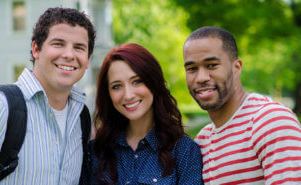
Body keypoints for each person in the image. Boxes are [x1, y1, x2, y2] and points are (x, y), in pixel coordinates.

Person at [0, 7, 95, 184]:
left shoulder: (81, 118)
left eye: (79, 48)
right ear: (36, 49)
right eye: (58, 44)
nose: (69, 55)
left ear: (88, 60)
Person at [183, 26, 301, 184]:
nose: (201, 77)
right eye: (192, 69)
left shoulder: (271, 122)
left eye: (211, 65)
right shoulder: (202, 141)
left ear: (236, 68)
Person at [82, 43, 203, 185]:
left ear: (153, 82)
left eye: (137, 81)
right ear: (108, 94)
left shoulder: (184, 150)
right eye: (117, 86)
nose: (128, 95)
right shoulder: (95, 152)